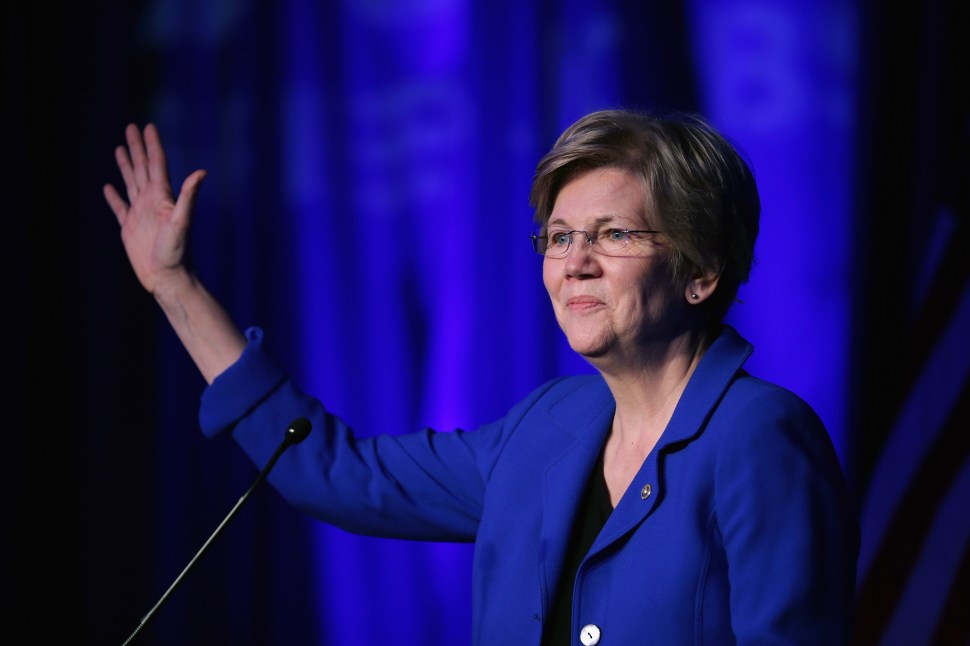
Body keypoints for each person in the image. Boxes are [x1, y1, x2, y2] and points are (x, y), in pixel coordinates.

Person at [104, 109, 859, 645]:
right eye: (559, 237)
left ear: (700, 272)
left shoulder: (760, 436)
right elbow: (326, 471)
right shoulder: (544, 429)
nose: (574, 262)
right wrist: (176, 287)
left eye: (614, 234)